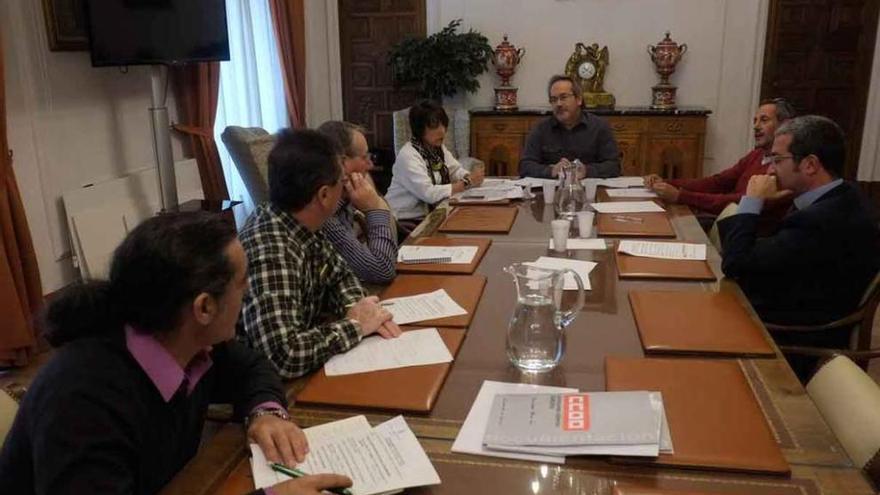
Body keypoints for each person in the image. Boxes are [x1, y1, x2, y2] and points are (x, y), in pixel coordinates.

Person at [0, 212, 351, 495]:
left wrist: (265, 412)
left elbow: (252, 367)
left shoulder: (187, 342)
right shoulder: (82, 399)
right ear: (204, 308)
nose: (247, 293)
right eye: (243, 283)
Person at [718, 115, 880, 379]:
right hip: (793, 309)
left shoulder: (821, 219)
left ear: (810, 164)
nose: (770, 170)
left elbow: (736, 263)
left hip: (792, 339)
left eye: (778, 160)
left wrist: (751, 201)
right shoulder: (843, 198)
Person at [238, 129, 402, 380]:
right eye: (342, 182)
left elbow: (340, 276)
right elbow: (283, 356)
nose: (345, 189)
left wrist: (362, 308)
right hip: (270, 391)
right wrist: (355, 325)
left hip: (313, 356)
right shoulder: (271, 248)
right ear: (324, 195)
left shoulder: (303, 221)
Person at [644, 98, 797, 228]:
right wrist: (665, 183)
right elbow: (717, 182)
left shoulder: (784, 167)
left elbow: (737, 201)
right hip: (726, 224)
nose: (756, 127)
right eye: (755, 121)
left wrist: (680, 196)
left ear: (785, 124)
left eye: (764, 120)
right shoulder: (756, 155)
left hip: (749, 237)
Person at [316, 121, 398, 284]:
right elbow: (382, 270)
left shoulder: (346, 198)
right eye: (364, 157)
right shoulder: (323, 213)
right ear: (342, 163)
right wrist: (375, 208)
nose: (370, 164)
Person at [385, 100, 484, 223]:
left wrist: (468, 175)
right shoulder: (408, 156)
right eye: (434, 126)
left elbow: (454, 170)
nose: (442, 131)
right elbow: (429, 193)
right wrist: (466, 183)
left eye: (443, 125)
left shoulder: (437, 148)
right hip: (405, 220)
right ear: (420, 129)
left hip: (432, 214)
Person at [518, 75, 620, 179]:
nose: (558, 104)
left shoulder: (599, 127)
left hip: (588, 190)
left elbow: (614, 166)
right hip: (552, 191)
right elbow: (525, 166)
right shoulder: (540, 128)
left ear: (579, 99)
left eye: (563, 97)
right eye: (553, 99)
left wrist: (586, 170)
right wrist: (551, 171)